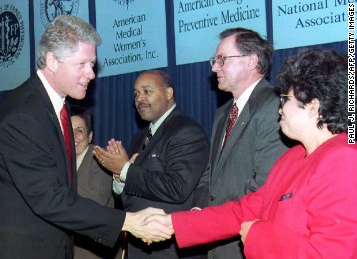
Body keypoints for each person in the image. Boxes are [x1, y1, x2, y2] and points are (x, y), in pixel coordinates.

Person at [0, 15, 172, 259]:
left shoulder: (58, 107)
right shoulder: (23, 115)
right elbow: (49, 198)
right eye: (82, 64)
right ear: (52, 61)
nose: (91, 74)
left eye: (92, 64)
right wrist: (127, 222)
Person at [145, 49, 357, 258]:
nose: (280, 108)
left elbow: (331, 253)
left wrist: (256, 235)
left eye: (286, 99)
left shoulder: (343, 159)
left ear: (312, 107)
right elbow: (245, 210)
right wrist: (173, 223)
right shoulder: (291, 158)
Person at [191, 28, 290, 259]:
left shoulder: (273, 107)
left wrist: (216, 218)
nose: (215, 67)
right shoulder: (223, 113)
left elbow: (266, 184)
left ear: (251, 61)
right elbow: (210, 174)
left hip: (247, 239)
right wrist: (199, 210)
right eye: (214, 61)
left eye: (222, 59)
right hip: (217, 242)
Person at [93, 70, 210, 258]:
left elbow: (177, 188)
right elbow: (130, 197)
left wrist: (125, 170)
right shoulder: (140, 137)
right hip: (139, 247)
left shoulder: (186, 131)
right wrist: (119, 179)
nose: (140, 98)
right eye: (136, 93)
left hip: (170, 250)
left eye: (147, 91)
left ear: (169, 93)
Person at [70, 105, 120, 259]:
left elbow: (95, 200)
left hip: (93, 248)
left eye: (79, 130)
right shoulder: (61, 162)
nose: (74, 136)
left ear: (90, 136)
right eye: (68, 131)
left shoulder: (99, 159)